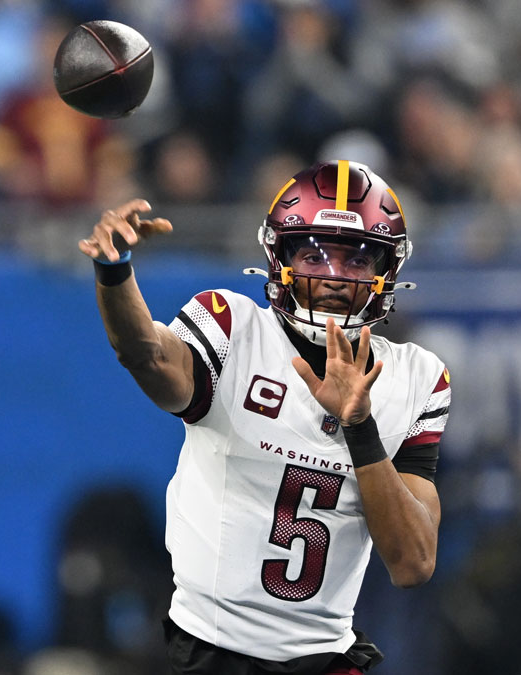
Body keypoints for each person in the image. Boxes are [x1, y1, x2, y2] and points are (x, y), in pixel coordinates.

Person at [76, 160, 449, 674]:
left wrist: (360, 427)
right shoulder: (233, 329)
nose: (337, 277)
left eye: (358, 260)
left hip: (324, 656)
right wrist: (115, 274)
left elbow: (413, 563)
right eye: (316, 254)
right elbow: (146, 354)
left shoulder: (417, 377)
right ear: (280, 256)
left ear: (388, 270)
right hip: (211, 648)